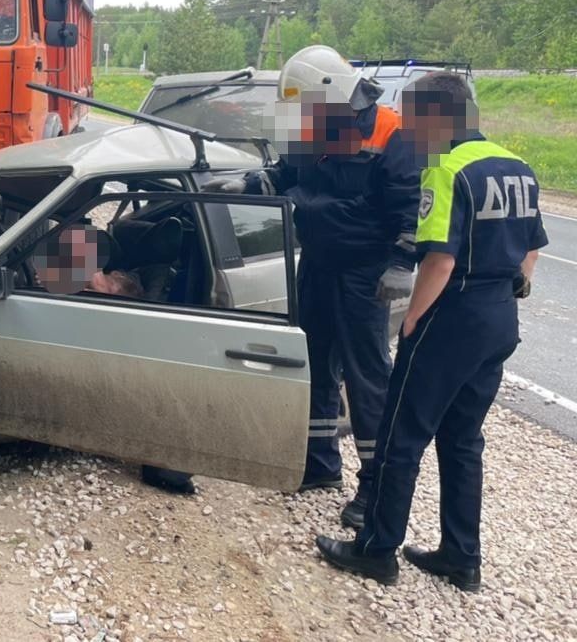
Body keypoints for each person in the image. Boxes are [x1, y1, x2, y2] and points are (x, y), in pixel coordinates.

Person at [316, 73, 546, 590]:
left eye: (416, 117)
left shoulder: (446, 169)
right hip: (499, 317)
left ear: (440, 117)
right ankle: (461, 556)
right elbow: (533, 244)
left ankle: (376, 549)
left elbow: (439, 260)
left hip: (452, 315)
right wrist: (518, 285)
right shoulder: (518, 166)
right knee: (463, 440)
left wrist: (415, 317)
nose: (412, 129)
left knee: (402, 435)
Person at [201, 46, 420, 525]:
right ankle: (320, 464)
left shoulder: (391, 131)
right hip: (319, 262)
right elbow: (287, 173)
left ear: (331, 92)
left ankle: (376, 488)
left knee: (367, 378)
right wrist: (249, 186)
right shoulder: (316, 125)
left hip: (365, 272)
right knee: (316, 363)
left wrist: (401, 264)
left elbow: (409, 202)